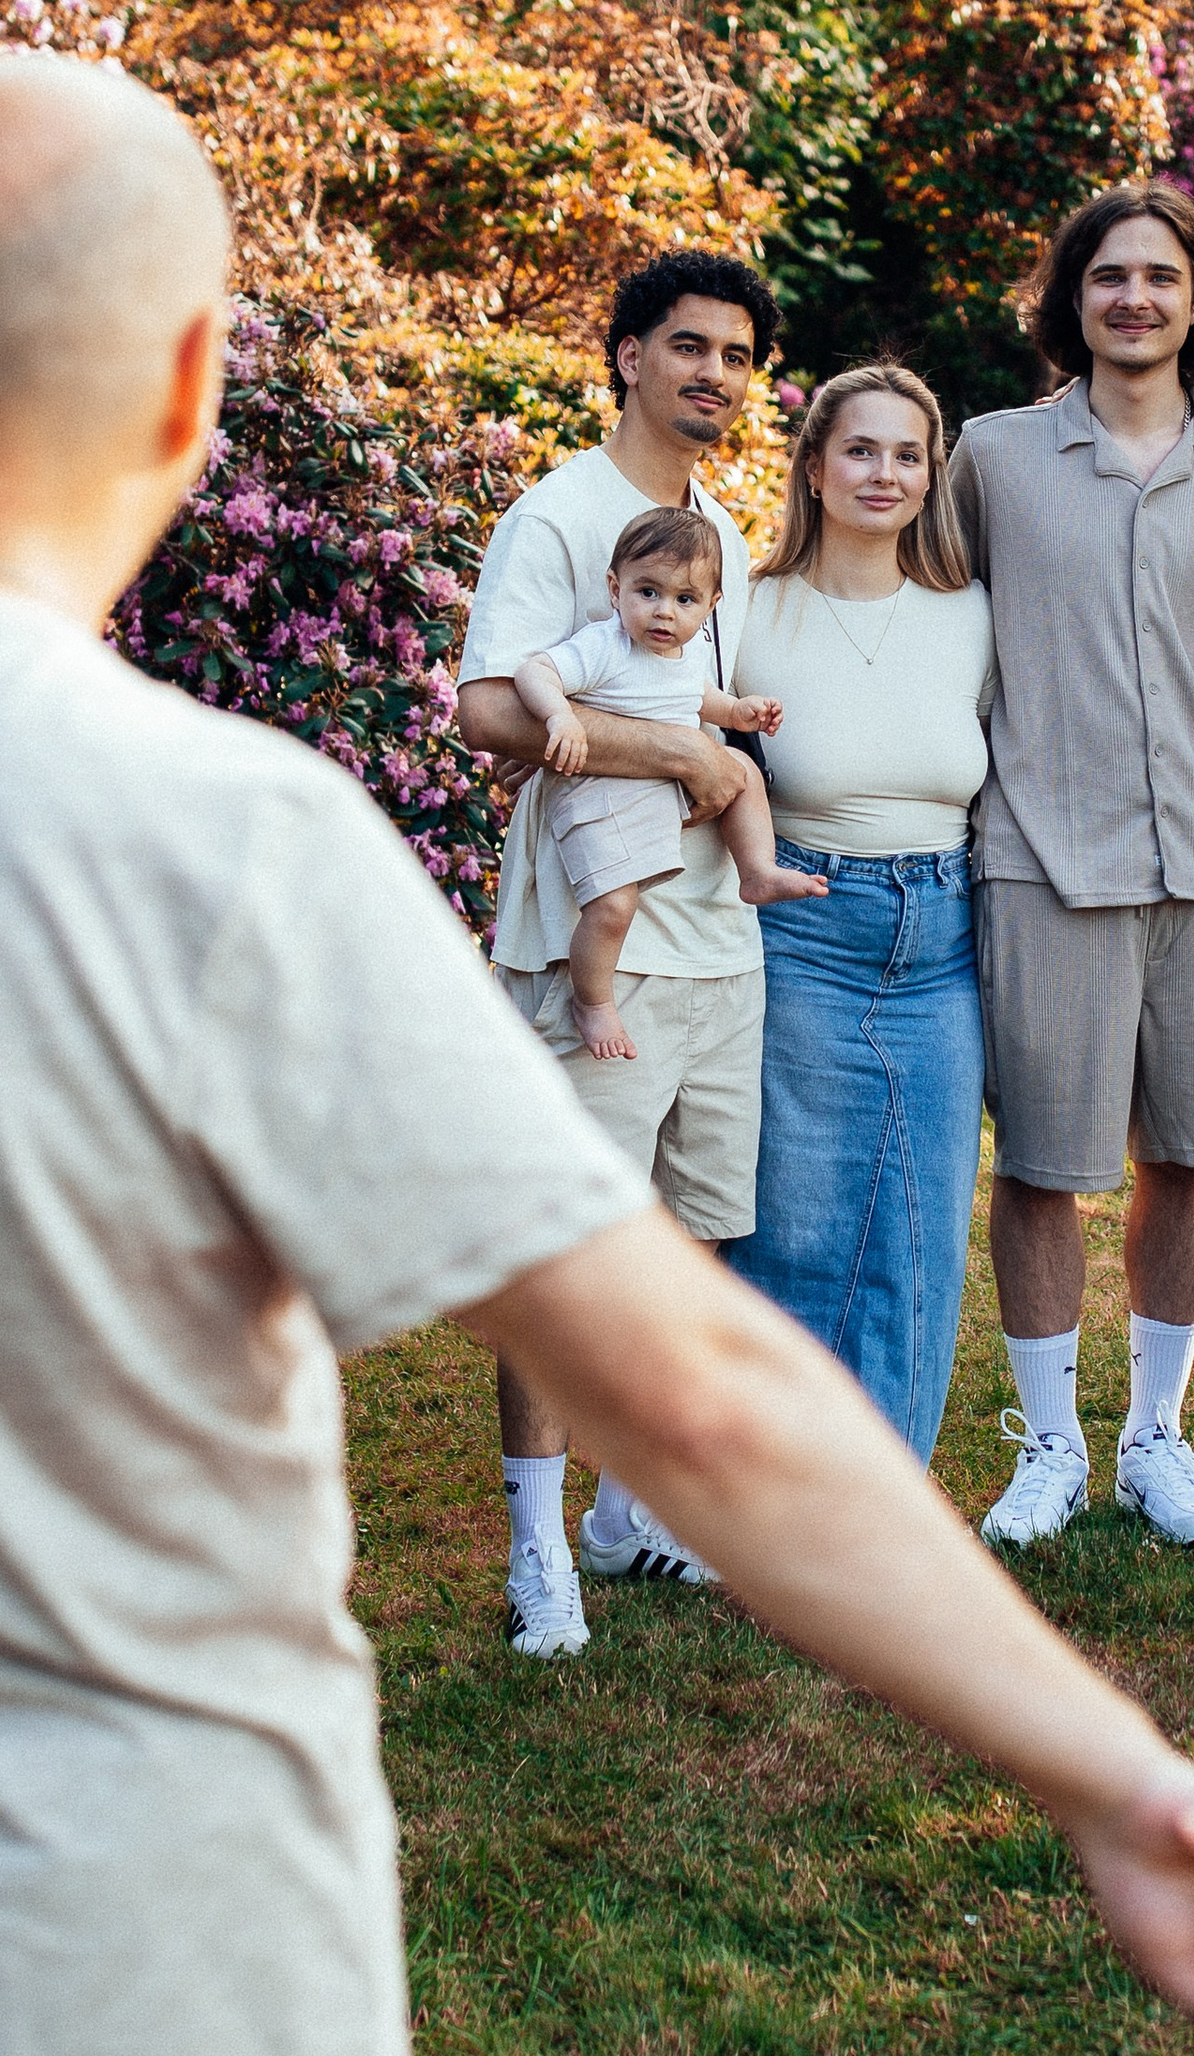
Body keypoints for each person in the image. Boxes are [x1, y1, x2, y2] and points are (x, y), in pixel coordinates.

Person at [0, 51, 1194, 2056]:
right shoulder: (211, 841)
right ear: (193, 385)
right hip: (118, 1942)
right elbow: (697, 1393)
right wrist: (1117, 1779)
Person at [951, 182, 1194, 1551]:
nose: (1136, 300)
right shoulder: (992, 455)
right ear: (1073, 298)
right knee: (1043, 1167)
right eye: (1110, 278)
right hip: (1045, 855)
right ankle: (1048, 1445)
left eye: (1162, 278)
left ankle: (1157, 1437)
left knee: (1190, 1157)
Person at [455, 249, 780, 1651]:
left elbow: (720, 721)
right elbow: (488, 707)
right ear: (631, 356)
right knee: (568, 1244)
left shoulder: (728, 531)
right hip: (593, 938)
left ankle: (628, 1508)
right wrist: (686, 761)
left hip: (719, 944)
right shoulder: (559, 516)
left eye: (737, 357)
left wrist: (727, 771)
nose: (715, 375)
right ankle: (539, 1548)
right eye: (690, 348)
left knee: (693, 1242)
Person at [728, 363, 994, 1463]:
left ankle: (882, 1483)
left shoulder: (973, 613)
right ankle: (771, 1482)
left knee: (919, 1232)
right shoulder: (748, 607)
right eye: (860, 450)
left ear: (931, 476)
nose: (883, 473)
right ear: (814, 465)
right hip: (804, 929)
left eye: (906, 454)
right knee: (791, 1226)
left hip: (942, 939)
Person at [513, 504, 821, 1061]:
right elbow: (534, 670)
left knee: (744, 769)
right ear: (615, 588)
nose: (664, 613)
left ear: (711, 606)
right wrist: (559, 715)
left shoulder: (689, 650)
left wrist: (740, 712)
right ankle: (593, 999)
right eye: (647, 592)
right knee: (613, 908)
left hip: (665, 788)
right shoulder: (606, 645)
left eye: (685, 600)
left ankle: (756, 872)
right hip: (605, 790)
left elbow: (698, 697)